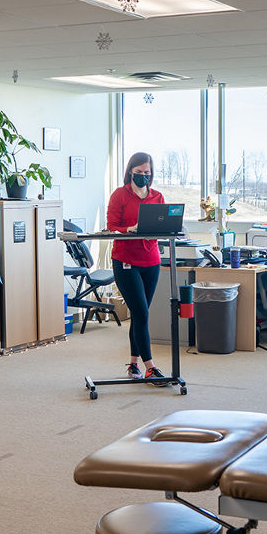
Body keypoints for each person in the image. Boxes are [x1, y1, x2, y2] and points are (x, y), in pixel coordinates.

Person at [106, 152, 166, 382]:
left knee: (142, 315)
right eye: (139, 172)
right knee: (140, 312)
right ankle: (150, 366)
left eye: (147, 173)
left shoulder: (157, 196)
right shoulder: (120, 195)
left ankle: (133, 365)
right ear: (130, 171)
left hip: (151, 261)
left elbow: (161, 225)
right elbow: (111, 226)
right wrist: (129, 229)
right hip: (126, 260)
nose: (143, 176)